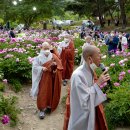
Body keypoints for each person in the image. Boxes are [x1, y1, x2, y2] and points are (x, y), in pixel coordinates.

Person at [65, 45, 109, 130]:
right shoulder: (78, 75)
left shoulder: (90, 70)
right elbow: (83, 99)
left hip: (89, 109)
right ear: (89, 59)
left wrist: (101, 84)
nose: (101, 57)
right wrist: (98, 83)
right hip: (80, 113)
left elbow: (90, 90)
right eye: (98, 54)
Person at [31, 42, 63, 119]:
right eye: (45, 49)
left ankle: (49, 106)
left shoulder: (53, 56)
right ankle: (42, 109)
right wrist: (41, 68)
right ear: (41, 49)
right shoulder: (38, 58)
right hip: (43, 78)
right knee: (43, 92)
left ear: (50, 48)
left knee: (51, 91)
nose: (46, 50)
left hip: (52, 78)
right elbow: (34, 67)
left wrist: (56, 69)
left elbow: (60, 66)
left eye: (48, 48)